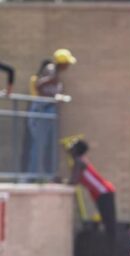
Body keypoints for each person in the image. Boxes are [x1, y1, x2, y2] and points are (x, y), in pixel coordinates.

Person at [67, 139, 117, 256]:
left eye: (72, 148)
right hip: (103, 194)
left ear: (77, 150)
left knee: (109, 227)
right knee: (109, 226)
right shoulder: (81, 160)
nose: (70, 150)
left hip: (104, 193)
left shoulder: (79, 162)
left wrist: (58, 181)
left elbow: (73, 181)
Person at [26, 49, 76, 178]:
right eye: (67, 63)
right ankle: (33, 176)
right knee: (38, 143)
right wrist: (51, 79)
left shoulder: (56, 73)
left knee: (44, 144)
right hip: (42, 109)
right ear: (61, 63)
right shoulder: (50, 69)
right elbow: (38, 85)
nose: (68, 66)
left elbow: (51, 91)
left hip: (50, 109)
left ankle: (41, 174)